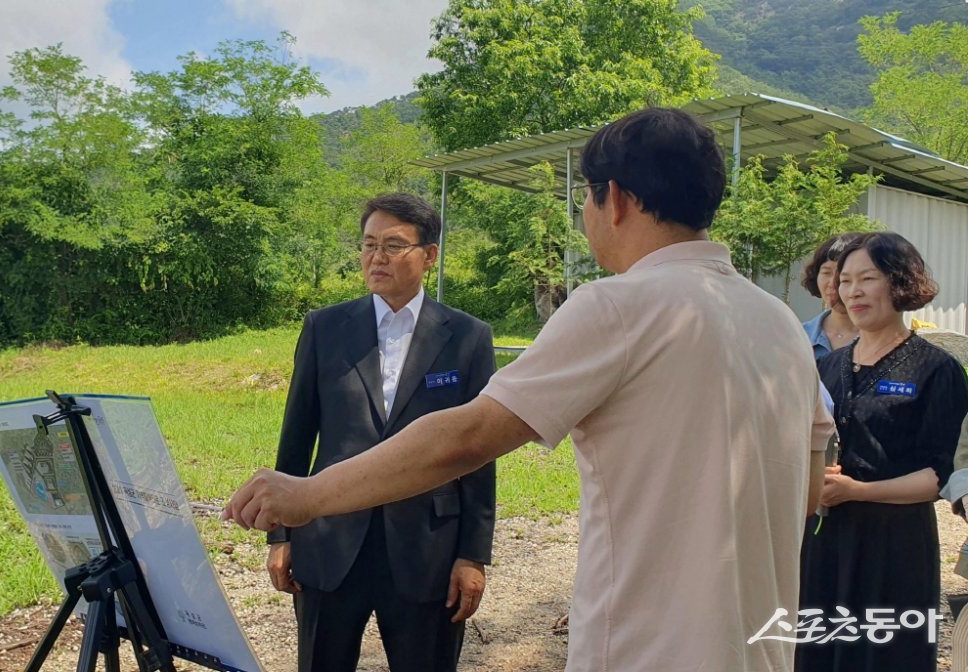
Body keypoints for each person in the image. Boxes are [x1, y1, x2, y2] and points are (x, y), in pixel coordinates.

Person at [227, 107, 834, 672]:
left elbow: (468, 438)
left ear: (616, 199)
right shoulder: (781, 323)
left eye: (583, 198)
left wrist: (310, 495)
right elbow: (808, 493)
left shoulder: (617, 306)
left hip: (647, 649)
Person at [266, 192, 497, 672]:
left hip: (427, 548)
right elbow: (296, 437)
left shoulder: (467, 337)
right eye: (369, 245)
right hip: (329, 540)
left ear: (429, 255)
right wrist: (280, 535)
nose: (377, 257)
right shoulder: (325, 328)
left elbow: (478, 450)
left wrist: (472, 555)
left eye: (393, 246)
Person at [796, 232, 968, 671]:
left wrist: (858, 491)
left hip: (895, 546)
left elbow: (940, 474)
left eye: (867, 278)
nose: (852, 291)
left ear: (900, 281)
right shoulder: (827, 366)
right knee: (817, 654)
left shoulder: (937, 369)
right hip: (825, 540)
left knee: (886, 657)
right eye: (845, 280)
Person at [800, 233, 865, 360]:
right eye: (826, 272)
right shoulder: (799, 336)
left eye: (843, 274)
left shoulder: (884, 342)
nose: (833, 283)